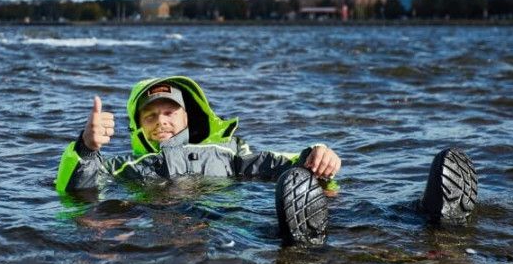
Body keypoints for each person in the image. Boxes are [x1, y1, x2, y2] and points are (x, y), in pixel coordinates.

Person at [55, 76, 342, 245]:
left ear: (187, 116)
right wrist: (87, 146)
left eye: (170, 112)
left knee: (258, 225)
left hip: (227, 222)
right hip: (163, 225)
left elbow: (274, 163)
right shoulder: (127, 166)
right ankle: (294, 245)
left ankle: (296, 235)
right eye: (151, 116)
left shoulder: (228, 151)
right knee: (93, 224)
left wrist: (315, 157)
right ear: (138, 125)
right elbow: (77, 189)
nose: (161, 122)